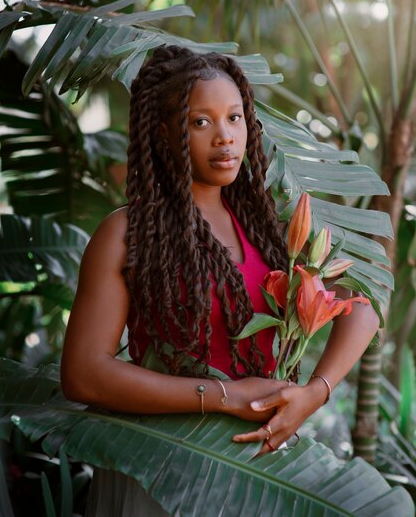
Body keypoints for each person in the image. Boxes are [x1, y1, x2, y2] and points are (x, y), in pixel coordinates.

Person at [61, 45, 380, 516]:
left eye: (234, 118)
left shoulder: (274, 225)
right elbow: (83, 374)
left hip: (260, 467)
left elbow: (364, 304)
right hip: (161, 467)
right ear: (166, 132)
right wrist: (225, 397)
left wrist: (315, 392)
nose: (225, 138)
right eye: (201, 122)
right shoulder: (125, 235)